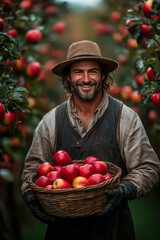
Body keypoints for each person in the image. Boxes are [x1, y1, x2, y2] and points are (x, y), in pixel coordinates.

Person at [21, 40, 160, 240]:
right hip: (62, 231)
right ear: (68, 77)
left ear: (103, 75)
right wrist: (30, 195)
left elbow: (148, 167)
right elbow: (32, 169)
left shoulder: (124, 117)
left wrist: (125, 189)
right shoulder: (50, 121)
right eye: (78, 72)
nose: (86, 79)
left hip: (114, 229)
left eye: (93, 71)